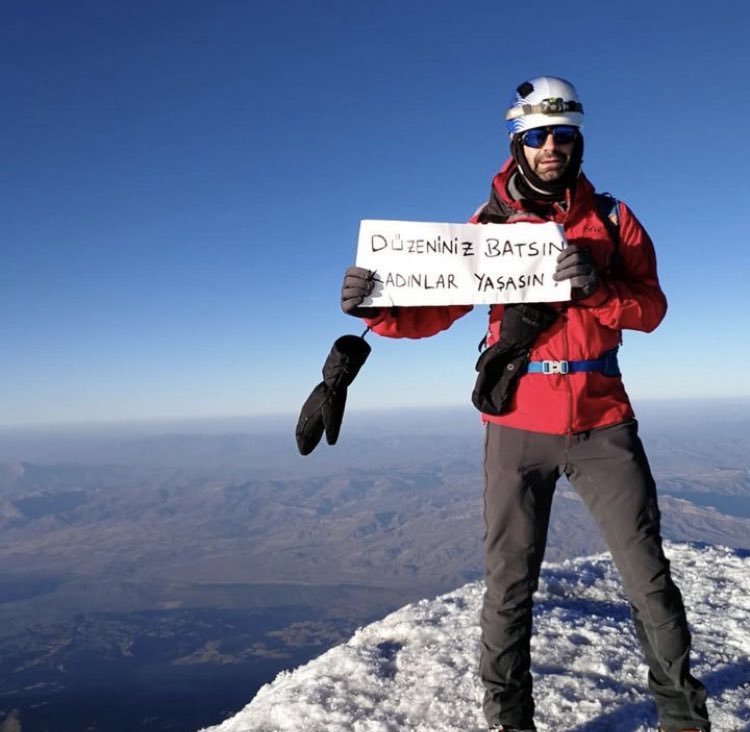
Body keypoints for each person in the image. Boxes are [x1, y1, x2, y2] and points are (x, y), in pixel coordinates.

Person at [339, 76, 710, 732]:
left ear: (578, 141)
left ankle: (684, 719)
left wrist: (597, 290)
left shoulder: (614, 218)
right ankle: (509, 722)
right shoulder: (487, 226)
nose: (550, 147)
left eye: (562, 135)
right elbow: (438, 307)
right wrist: (380, 308)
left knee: (647, 576)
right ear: (517, 142)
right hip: (515, 423)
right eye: (536, 136)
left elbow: (650, 308)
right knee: (508, 584)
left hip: (603, 420)